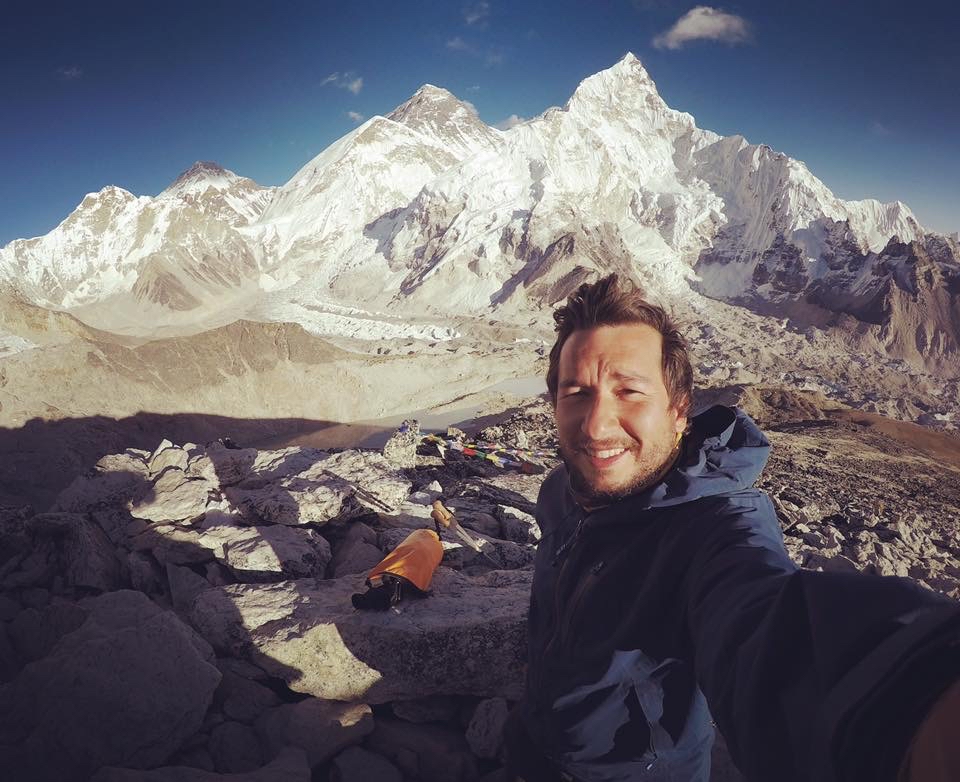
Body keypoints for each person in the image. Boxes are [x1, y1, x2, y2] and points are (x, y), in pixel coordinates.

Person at [504, 274, 960, 782]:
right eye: (576, 393)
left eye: (629, 392)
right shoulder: (559, 492)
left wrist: (917, 700)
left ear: (679, 413)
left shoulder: (716, 525)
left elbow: (764, 629)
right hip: (530, 750)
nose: (595, 424)